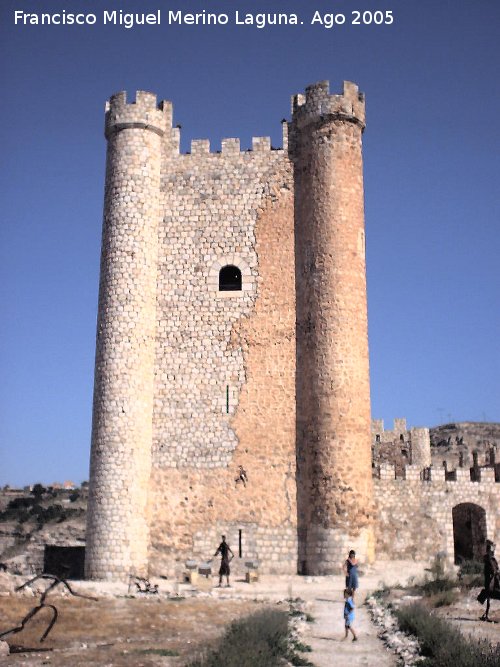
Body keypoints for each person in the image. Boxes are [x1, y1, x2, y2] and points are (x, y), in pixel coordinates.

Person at [481, 540, 499, 620]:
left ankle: (486, 614)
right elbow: (493, 570)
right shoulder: (488, 559)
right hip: (490, 583)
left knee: (489, 598)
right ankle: (486, 614)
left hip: (494, 582)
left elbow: (496, 569)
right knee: (489, 596)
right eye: (492, 549)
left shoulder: (492, 560)